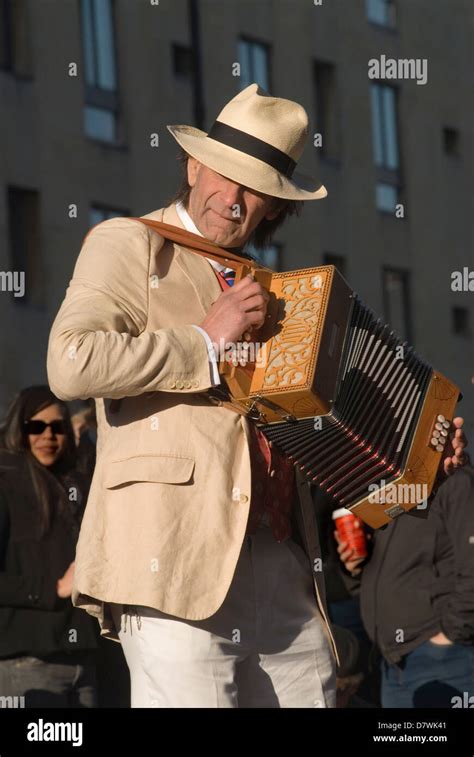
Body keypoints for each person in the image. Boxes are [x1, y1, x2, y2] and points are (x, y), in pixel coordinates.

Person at [46, 83, 467, 708]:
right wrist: (204, 342)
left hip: (284, 564)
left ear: (276, 207)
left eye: (256, 191)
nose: (234, 201)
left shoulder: (278, 291)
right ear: (193, 164)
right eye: (224, 175)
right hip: (176, 556)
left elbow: (322, 436)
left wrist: (422, 460)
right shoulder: (128, 244)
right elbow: (71, 363)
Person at [336, 463, 474, 708]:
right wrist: (354, 569)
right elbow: (383, 579)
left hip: (443, 658)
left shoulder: (455, 480)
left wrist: (451, 634)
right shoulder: (388, 490)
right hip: (391, 663)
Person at [0, 386, 98, 707]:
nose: (48, 436)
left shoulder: (77, 482)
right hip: (26, 665)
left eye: (57, 427)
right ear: (19, 429)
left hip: (85, 660)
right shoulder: (7, 483)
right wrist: (52, 587)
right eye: (36, 427)